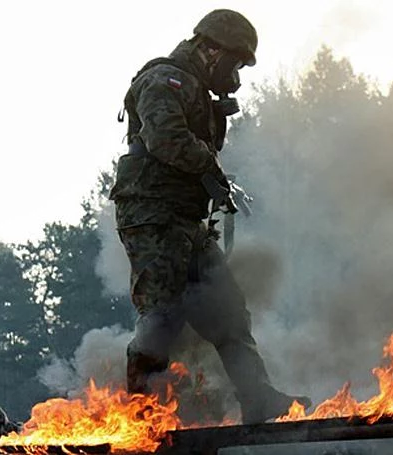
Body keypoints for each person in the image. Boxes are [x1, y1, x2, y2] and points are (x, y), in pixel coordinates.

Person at [108, 9, 311, 423]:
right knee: (160, 317)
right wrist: (211, 170)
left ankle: (257, 397)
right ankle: (141, 417)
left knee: (229, 312)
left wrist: (216, 181)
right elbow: (167, 139)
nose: (235, 73)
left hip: (186, 221)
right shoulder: (164, 80)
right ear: (211, 49)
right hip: (154, 218)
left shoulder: (195, 89)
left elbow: (192, 151)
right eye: (234, 62)